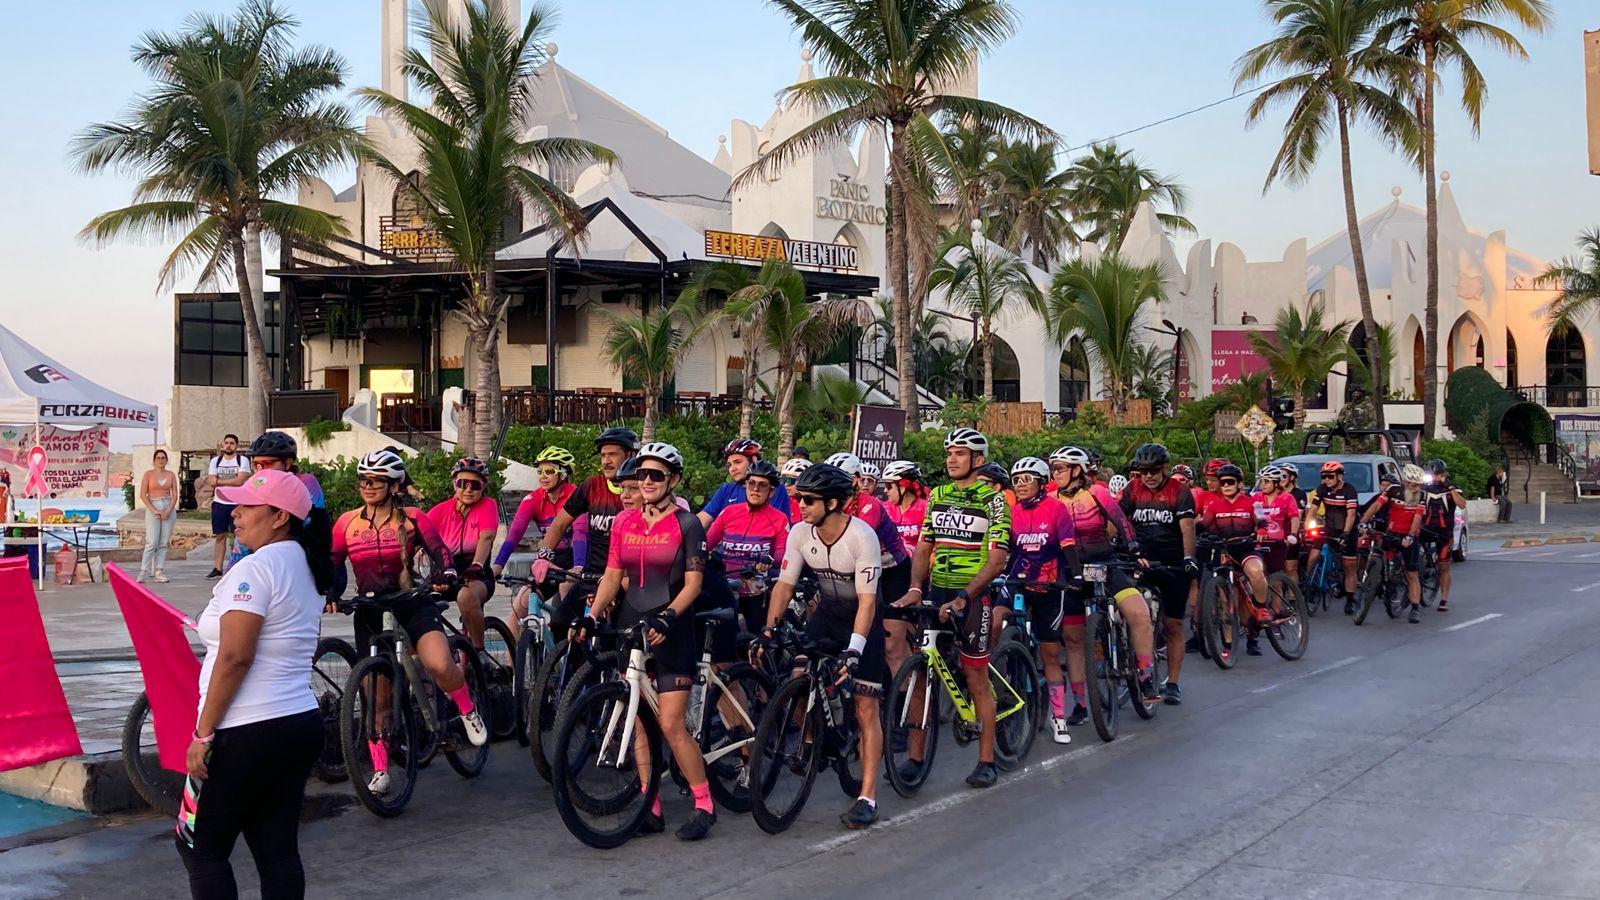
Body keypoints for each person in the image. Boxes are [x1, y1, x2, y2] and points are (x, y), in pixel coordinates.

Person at [178, 469, 333, 900]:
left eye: (247, 506)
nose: (235, 514)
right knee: (276, 849)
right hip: (297, 722)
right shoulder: (307, 564)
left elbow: (236, 657)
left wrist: (202, 734)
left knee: (199, 846)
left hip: (246, 731)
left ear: (280, 516)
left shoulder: (256, 568)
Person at [571, 442, 717, 840]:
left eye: (656, 475)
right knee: (638, 722)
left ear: (673, 480)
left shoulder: (687, 524)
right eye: (641, 475)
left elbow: (694, 584)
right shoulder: (624, 522)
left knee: (670, 724)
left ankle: (704, 803)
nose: (646, 482)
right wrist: (591, 616)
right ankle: (650, 806)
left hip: (672, 626)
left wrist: (669, 616)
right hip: (631, 622)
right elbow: (612, 576)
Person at [329, 449, 487, 799]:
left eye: (377, 481)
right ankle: (380, 769)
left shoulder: (413, 518)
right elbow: (334, 564)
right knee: (376, 694)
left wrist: (445, 573)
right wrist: (331, 593)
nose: (369, 486)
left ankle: (467, 708)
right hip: (370, 609)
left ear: (394, 485)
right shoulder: (347, 523)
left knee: (439, 663)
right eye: (364, 480)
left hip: (411, 602)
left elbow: (440, 552)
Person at [753, 462, 888, 829]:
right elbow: (784, 585)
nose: (801, 505)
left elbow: (867, 602)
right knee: (797, 675)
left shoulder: (861, 536)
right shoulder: (800, 532)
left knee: (865, 707)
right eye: (799, 498)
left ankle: (867, 797)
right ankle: (814, 737)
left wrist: (855, 650)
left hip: (862, 620)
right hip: (827, 614)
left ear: (831, 503)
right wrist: (768, 630)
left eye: (809, 500)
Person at [894, 429, 1010, 789]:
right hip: (937, 590)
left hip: (973, 595)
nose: (951, 459)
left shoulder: (993, 500)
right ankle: (915, 757)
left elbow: (997, 560)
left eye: (960, 453)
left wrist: (964, 596)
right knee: (920, 674)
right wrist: (916, 587)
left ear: (978, 460)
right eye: (949, 453)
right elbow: (923, 547)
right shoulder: (939, 495)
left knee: (976, 677)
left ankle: (986, 760)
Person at [1054, 445, 1159, 712]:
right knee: (1073, 639)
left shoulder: (1096, 492)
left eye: (1060, 468)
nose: (1055, 473)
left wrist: (1134, 549)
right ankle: (1079, 704)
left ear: (1076, 470)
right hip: (1072, 570)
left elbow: (1121, 521)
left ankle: (1146, 675)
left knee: (1138, 613)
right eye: (1053, 468)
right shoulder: (1051, 498)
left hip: (1105, 563)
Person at [531, 428, 639, 637]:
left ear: (631, 455)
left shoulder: (640, 492)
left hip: (622, 580)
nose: (606, 461)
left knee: (609, 637)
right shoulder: (591, 486)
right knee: (560, 623)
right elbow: (559, 524)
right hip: (591, 576)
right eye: (603, 455)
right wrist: (544, 555)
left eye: (613, 454)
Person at [1005, 457, 1080, 742]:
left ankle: (1059, 717)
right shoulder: (1012, 512)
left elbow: (1068, 545)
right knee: (997, 625)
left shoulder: (1056, 508)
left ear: (1040, 482)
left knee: (1050, 653)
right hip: (1019, 581)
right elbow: (1008, 550)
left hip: (1049, 585)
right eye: (1016, 480)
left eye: (1026, 479)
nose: (1020, 485)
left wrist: (1075, 575)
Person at [1120, 444, 1198, 704]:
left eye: (1153, 471)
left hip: (1172, 563)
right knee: (1133, 615)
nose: (1148, 476)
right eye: (1143, 471)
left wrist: (1188, 558)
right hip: (1141, 560)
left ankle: (1172, 683)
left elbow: (1187, 528)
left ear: (1165, 468)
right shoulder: (1132, 489)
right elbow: (1118, 520)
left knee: (1173, 625)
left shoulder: (1180, 491)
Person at [1196, 464, 1281, 656]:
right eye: (1222, 482)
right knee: (1226, 601)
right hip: (1225, 551)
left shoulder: (1251, 502)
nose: (1225, 485)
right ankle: (1227, 644)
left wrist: (1261, 529)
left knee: (1255, 572)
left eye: (1230, 482)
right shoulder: (1215, 505)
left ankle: (1261, 610)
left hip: (1246, 549)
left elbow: (1261, 520)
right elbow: (1203, 524)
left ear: (1239, 484)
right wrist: (1191, 532)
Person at [494, 446, 578, 638]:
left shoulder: (576, 495)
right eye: (540, 471)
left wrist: (579, 566)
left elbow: (581, 535)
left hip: (577, 557)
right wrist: (497, 565)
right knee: (519, 606)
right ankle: (512, 657)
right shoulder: (533, 499)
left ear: (563, 474)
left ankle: (573, 650)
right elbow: (514, 535)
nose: (543, 476)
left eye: (549, 471)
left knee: (567, 591)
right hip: (550, 558)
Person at [705, 459, 788, 632]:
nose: (755, 489)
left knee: (755, 636)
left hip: (756, 589)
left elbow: (782, 555)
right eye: (751, 483)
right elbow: (707, 542)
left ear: (771, 492)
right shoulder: (729, 512)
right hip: (725, 584)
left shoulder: (779, 519)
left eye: (762, 485)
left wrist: (769, 559)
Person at [425, 457, 498, 651]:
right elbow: (415, 538)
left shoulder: (488, 505)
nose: (468, 490)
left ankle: (479, 652)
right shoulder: (439, 511)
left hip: (476, 575)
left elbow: (486, 538)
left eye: (475, 485)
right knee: (415, 602)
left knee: (466, 596)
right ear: (454, 484)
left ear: (483, 486)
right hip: (444, 574)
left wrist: (477, 565)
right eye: (463, 483)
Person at [1358, 463, 1428, 623]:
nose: (1416, 488)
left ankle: (1415, 608)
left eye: (1419, 484)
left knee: (1411, 574)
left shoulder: (1421, 495)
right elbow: (1377, 505)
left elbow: (1417, 518)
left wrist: (1410, 536)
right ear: (1405, 481)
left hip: (1409, 536)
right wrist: (1363, 521)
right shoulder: (1393, 490)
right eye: (1413, 484)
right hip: (1391, 532)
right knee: (1377, 553)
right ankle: (1377, 579)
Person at [1302, 460, 1362, 615]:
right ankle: (1310, 586)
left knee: (1349, 566)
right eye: (1324, 476)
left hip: (1347, 530)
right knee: (1313, 555)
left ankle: (1350, 599)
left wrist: (1346, 533)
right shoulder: (1322, 488)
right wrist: (1306, 527)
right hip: (1329, 529)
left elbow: (1351, 514)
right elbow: (1313, 510)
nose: (1326, 479)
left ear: (1339, 476)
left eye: (1330, 476)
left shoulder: (1349, 490)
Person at [698, 438, 790, 528]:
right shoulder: (726, 490)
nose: (732, 469)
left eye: (738, 462)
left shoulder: (774, 488)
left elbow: (774, 524)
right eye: (729, 465)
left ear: (754, 460)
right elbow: (702, 519)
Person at [1420, 458, 1466, 612]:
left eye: (1437, 474)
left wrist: (1450, 489)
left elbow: (1462, 504)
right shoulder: (1424, 488)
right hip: (1425, 529)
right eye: (1432, 474)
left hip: (1444, 532)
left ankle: (1444, 599)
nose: (1434, 477)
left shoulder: (1451, 488)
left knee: (1443, 565)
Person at [206, 434, 248, 578]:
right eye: (226, 443)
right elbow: (211, 481)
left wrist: (219, 481)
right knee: (220, 536)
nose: (228, 445)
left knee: (239, 536)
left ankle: (239, 567)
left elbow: (240, 481)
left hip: (237, 503)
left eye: (232, 443)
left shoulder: (242, 460)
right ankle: (217, 568)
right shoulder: (215, 461)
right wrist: (230, 481)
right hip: (219, 503)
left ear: (236, 445)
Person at [138, 449, 178, 583]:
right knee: (152, 541)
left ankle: (159, 571)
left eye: (163, 458)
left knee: (163, 542)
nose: (161, 460)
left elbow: (175, 495)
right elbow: (143, 495)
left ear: (166, 460)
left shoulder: (171, 475)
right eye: (158, 458)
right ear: (154, 460)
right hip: (153, 506)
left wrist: (168, 510)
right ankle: (143, 571)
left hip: (167, 505)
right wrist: (154, 510)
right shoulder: (148, 474)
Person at [780, 457, 812, 524]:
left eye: (790, 481)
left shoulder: (815, 505)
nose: (786, 484)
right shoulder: (784, 502)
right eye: (784, 480)